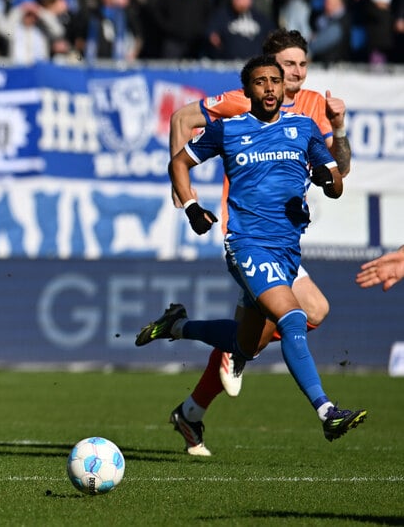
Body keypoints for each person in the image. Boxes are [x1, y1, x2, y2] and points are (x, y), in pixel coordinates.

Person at [137, 54, 367, 445]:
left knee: (248, 344)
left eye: (275, 81)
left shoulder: (305, 127)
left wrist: (327, 182)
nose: (270, 88)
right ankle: (327, 411)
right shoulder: (228, 129)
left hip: (287, 250)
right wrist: (191, 206)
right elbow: (179, 163)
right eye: (260, 82)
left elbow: (335, 180)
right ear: (249, 91)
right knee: (294, 317)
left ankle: (176, 325)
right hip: (246, 244)